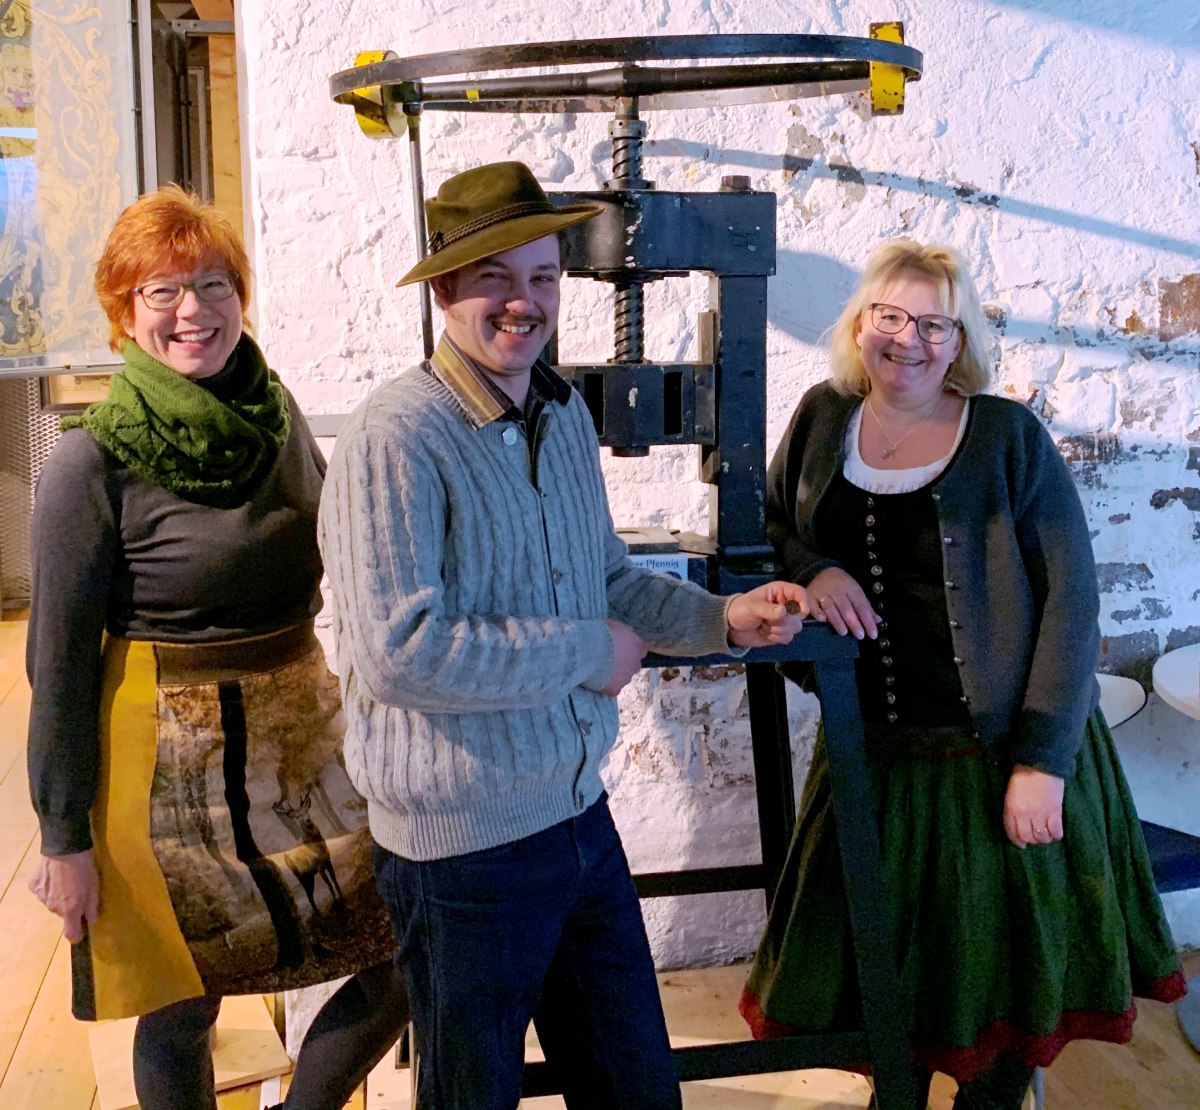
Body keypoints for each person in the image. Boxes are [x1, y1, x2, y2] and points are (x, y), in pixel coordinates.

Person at [318, 160, 810, 1110]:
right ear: (445, 290)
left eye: (543, 277)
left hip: (578, 820)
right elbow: (400, 651)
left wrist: (719, 620)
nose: (525, 302)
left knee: (637, 1091)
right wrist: (593, 652)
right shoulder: (397, 435)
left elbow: (605, 578)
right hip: (460, 853)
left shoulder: (563, 412)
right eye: (496, 279)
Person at [738, 239, 1187, 1109]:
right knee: (886, 973)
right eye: (890, 316)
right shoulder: (823, 418)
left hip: (1004, 758)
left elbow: (1072, 601)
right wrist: (814, 569)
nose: (908, 339)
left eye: (934, 324)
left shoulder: (1007, 437)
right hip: (874, 755)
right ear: (860, 325)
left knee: (1009, 977)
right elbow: (769, 527)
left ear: (960, 339)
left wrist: (1042, 765)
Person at [26, 185, 409, 1110]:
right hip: (166, 759)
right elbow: (58, 667)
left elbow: (342, 549)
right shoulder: (90, 463)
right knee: (184, 1004)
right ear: (124, 315)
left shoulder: (275, 416)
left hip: (301, 735)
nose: (192, 310)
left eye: (212, 284)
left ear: (240, 296)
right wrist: (64, 837)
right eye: (160, 292)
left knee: (403, 945)